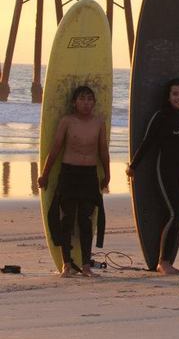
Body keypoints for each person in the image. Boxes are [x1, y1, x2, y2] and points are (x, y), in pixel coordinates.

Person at [127, 78, 179, 275]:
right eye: (175, 94)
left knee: (177, 215)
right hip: (165, 170)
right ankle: (163, 262)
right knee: (174, 213)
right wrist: (133, 166)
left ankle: (166, 260)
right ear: (168, 97)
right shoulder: (161, 116)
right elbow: (147, 141)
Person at [37, 86, 110, 278]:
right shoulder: (67, 121)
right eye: (82, 99)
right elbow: (55, 149)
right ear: (74, 102)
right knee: (67, 219)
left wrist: (107, 174)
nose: (86, 103)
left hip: (89, 175)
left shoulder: (98, 122)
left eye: (89, 99)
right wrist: (44, 175)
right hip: (69, 173)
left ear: (94, 102)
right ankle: (66, 265)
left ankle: (86, 266)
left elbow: (103, 149)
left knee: (86, 221)